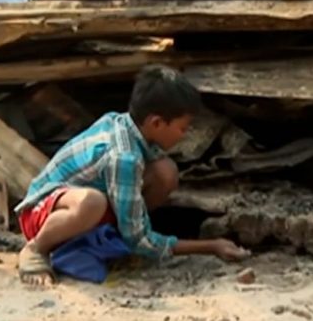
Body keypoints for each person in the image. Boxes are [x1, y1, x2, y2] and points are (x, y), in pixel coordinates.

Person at [15, 65, 250, 285]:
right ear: (156, 123)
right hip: (41, 215)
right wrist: (211, 246)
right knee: (93, 202)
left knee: (165, 171)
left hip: (78, 209)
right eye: (182, 128)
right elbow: (139, 239)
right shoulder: (124, 157)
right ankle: (36, 249)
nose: (184, 135)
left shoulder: (124, 125)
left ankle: (111, 238)